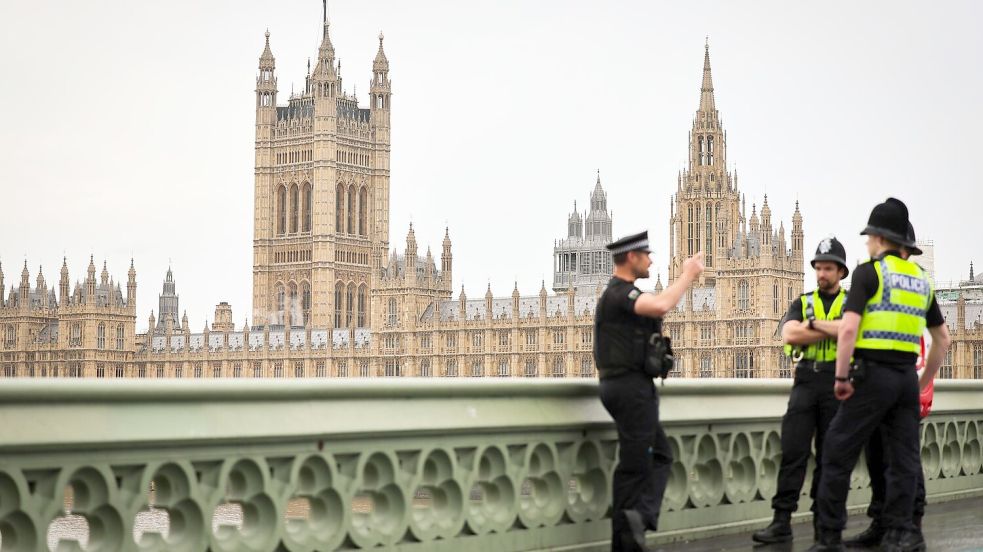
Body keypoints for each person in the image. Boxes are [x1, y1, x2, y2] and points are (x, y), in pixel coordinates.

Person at [810, 198, 951, 552]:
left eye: (869, 236)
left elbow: (848, 330)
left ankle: (828, 538)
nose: (867, 243)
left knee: (837, 452)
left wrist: (841, 378)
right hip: (905, 378)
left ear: (878, 238)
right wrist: (918, 382)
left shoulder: (868, 272)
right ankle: (904, 534)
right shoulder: (921, 280)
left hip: (871, 376)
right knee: (904, 460)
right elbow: (943, 340)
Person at [593, 230, 704, 552]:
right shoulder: (619, 294)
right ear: (631, 258)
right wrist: (687, 275)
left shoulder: (624, 294)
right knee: (634, 465)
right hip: (628, 388)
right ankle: (630, 535)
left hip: (633, 386)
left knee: (660, 456)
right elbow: (661, 306)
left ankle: (635, 527)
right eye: (646, 255)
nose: (651, 260)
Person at [752, 237, 850, 545]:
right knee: (792, 452)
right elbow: (788, 333)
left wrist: (813, 326)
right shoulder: (803, 300)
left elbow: (855, 332)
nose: (822, 273)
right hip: (806, 381)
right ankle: (781, 521)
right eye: (819, 267)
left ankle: (826, 528)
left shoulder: (852, 303)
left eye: (828, 268)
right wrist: (832, 328)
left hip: (837, 384)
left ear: (841, 272)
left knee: (829, 458)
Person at [844, 222, 931, 547]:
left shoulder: (906, 281)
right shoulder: (910, 282)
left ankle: (909, 528)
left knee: (904, 460)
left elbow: (934, 341)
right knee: (883, 455)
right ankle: (888, 525)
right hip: (902, 381)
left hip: (904, 380)